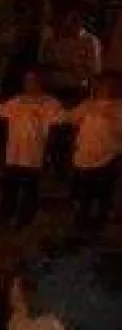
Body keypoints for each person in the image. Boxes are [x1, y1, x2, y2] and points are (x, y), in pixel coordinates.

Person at [0, 68, 65, 230]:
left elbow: (60, 119)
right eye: (27, 80)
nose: (29, 84)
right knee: (10, 186)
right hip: (14, 152)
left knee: (29, 188)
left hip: (33, 153)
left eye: (33, 80)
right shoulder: (16, 100)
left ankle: (25, 219)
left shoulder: (50, 102)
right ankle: (6, 216)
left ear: (41, 82)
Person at [68, 71, 121, 237]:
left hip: (106, 159)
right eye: (103, 84)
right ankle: (81, 222)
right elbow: (69, 117)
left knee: (103, 194)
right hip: (84, 157)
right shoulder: (87, 105)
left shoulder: (119, 107)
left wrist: (110, 119)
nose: (105, 88)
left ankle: (99, 223)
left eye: (110, 85)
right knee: (84, 193)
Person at [41, 10, 105, 101]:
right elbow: (45, 65)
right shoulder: (51, 41)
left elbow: (95, 70)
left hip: (78, 90)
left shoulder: (91, 42)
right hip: (52, 89)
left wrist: (75, 67)